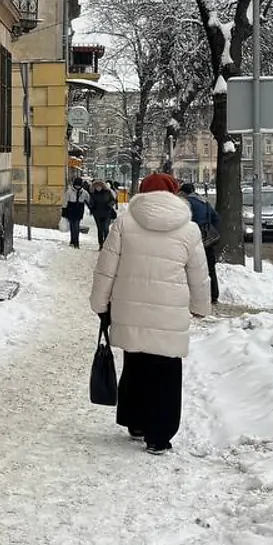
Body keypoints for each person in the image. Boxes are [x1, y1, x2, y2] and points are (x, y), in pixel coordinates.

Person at [88, 172, 210, 455]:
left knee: (136, 364)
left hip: (130, 310)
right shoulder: (189, 230)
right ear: (173, 193)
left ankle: (136, 421)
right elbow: (199, 275)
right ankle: (159, 435)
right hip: (169, 314)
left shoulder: (124, 224)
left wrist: (99, 303)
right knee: (166, 374)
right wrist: (200, 307)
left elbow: (106, 268)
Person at [179, 180, 221, 310]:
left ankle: (195, 297)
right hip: (207, 240)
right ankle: (214, 294)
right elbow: (216, 218)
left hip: (194, 239)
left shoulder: (187, 203)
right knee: (210, 267)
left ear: (184, 193)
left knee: (194, 268)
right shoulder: (204, 201)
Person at [88, 178, 118, 249]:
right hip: (97, 213)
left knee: (105, 228)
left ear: (102, 186)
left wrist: (110, 205)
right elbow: (91, 202)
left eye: (99, 186)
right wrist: (92, 206)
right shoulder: (93, 194)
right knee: (100, 229)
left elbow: (113, 200)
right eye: (96, 186)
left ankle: (106, 244)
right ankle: (101, 244)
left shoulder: (107, 192)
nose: (98, 188)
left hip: (106, 213)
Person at [61, 177, 91, 248]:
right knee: (72, 226)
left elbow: (88, 200)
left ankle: (76, 242)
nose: (78, 186)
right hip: (71, 209)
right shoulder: (69, 191)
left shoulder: (84, 192)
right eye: (76, 185)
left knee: (76, 226)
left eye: (79, 185)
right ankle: (72, 240)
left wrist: (91, 208)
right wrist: (64, 210)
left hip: (79, 210)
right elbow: (65, 201)